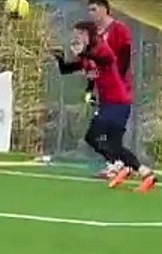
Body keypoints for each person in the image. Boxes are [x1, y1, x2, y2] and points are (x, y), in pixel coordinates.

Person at [55, 20, 156, 193]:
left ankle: (138, 169)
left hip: (117, 102)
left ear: (89, 35)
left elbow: (107, 59)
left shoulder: (101, 48)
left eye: (80, 34)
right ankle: (129, 168)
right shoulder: (87, 57)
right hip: (109, 104)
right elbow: (67, 69)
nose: (77, 38)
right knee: (113, 144)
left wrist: (84, 52)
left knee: (93, 137)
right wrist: (59, 59)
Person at [87, 0, 133, 178]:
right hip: (104, 90)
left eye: (94, 9)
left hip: (119, 90)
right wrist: (90, 88)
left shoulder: (119, 29)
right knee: (101, 132)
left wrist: (118, 80)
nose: (91, 14)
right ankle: (117, 164)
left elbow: (125, 55)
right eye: (89, 10)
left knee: (109, 129)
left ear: (105, 9)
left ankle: (119, 165)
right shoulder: (93, 35)